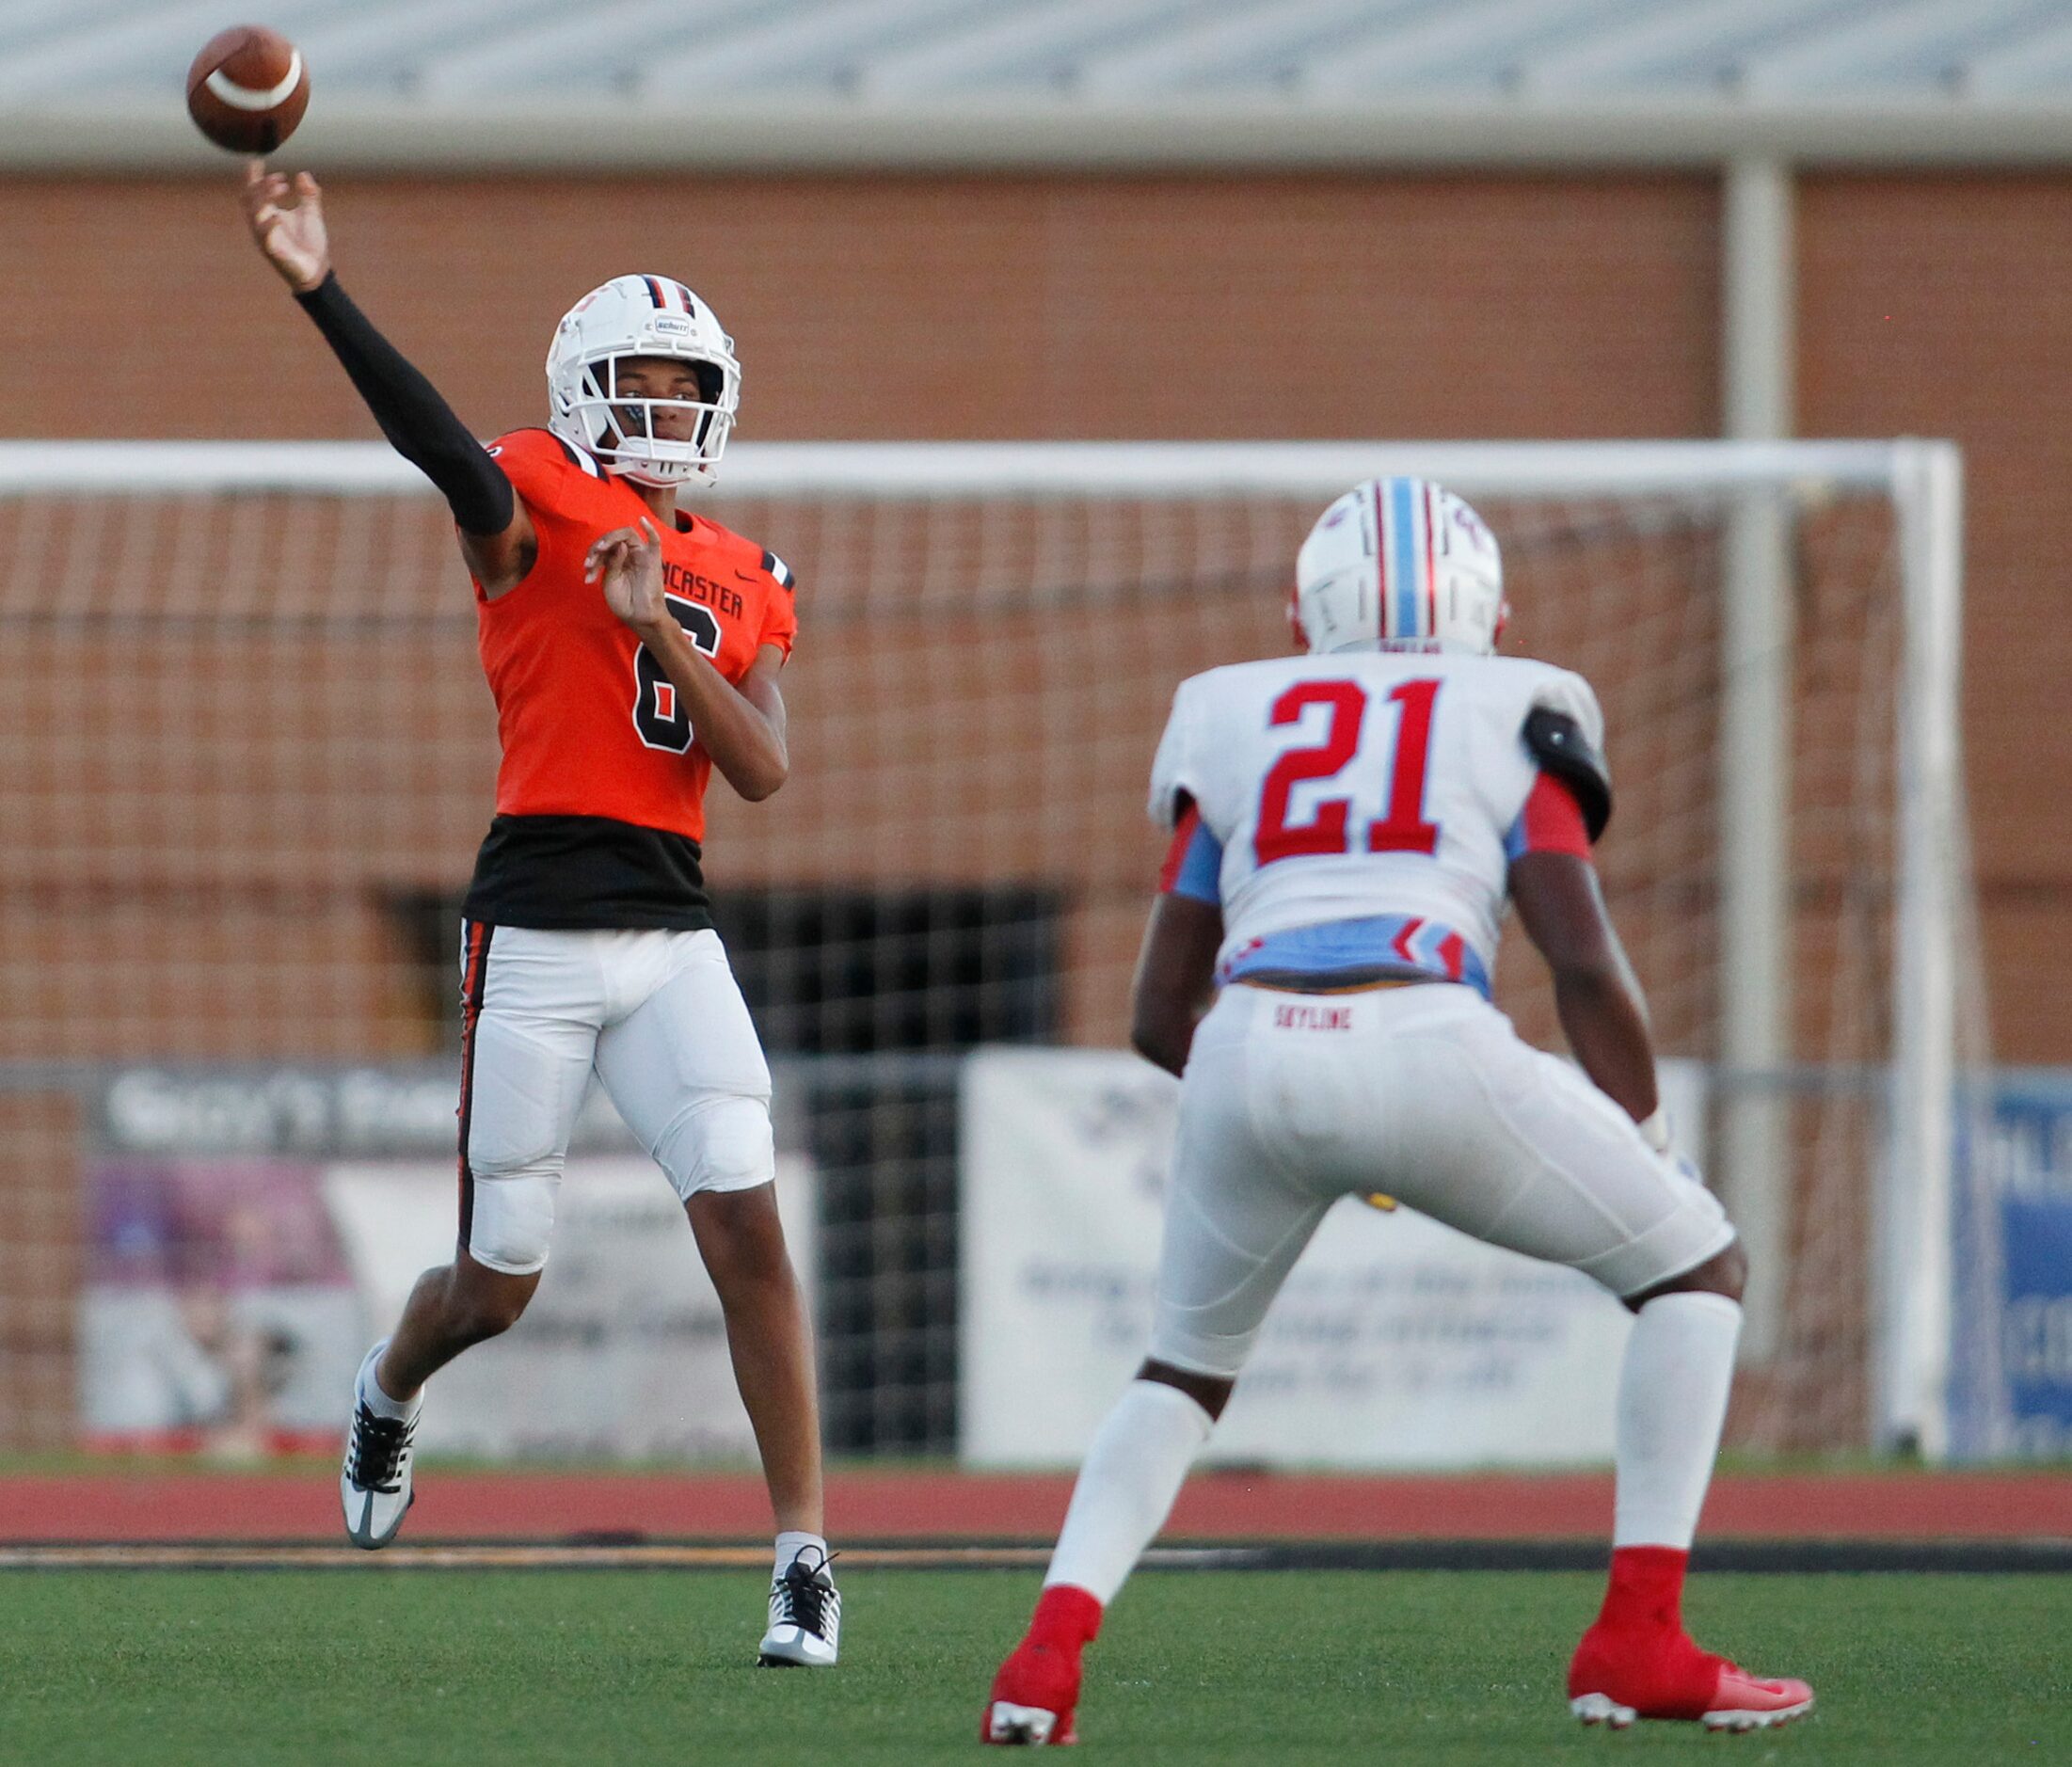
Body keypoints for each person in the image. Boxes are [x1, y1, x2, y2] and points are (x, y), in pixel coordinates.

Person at [981, 478, 1811, 1743]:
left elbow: (1158, 1013)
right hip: (1424, 1028)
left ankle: (1042, 1660)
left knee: (1180, 1375)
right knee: (1697, 1267)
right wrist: (1643, 1139)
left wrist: (1308, 1102)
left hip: (1248, 1044)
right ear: (1487, 610)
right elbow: (1579, 958)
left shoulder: (1232, 714)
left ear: (1304, 610)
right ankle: (1636, 1636)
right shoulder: (1515, 705)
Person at [239, 161, 838, 1667]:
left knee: (750, 1232)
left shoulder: (749, 572)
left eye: (681, 382)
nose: (662, 405)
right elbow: (434, 440)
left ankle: (803, 1555)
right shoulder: (534, 496)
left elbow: (759, 767)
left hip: (674, 932)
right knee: (499, 1284)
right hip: (539, 923)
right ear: (581, 393)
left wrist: (659, 634)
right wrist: (321, 289)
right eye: (634, 380)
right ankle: (389, 1385)